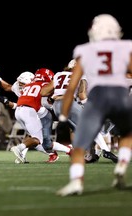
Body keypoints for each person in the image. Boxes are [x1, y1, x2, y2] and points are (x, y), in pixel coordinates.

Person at [54, 14, 132, 196]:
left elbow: (72, 86)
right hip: (120, 95)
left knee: (80, 144)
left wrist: (64, 114)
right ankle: (121, 165)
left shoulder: (85, 50)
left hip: (97, 98)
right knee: (127, 132)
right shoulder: (126, 47)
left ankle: (77, 182)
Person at [41, 59, 118, 163]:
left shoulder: (59, 74)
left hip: (57, 108)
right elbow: (82, 94)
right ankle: (106, 151)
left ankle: (88, 154)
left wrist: (53, 95)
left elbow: (43, 92)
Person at [0, 70, 71, 163]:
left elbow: (25, 103)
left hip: (25, 112)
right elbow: (48, 102)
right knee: (38, 140)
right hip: (32, 112)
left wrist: (8, 103)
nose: (20, 86)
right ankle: (20, 148)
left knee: (35, 138)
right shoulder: (44, 87)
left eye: (22, 83)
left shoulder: (29, 86)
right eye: (20, 83)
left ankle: (50, 154)